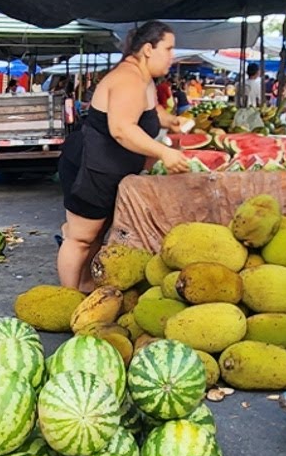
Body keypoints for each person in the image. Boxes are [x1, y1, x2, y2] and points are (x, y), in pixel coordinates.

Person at [56, 21, 190, 291]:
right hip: (91, 167)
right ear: (149, 49)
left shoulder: (144, 79)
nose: (172, 56)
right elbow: (122, 129)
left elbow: (148, 113)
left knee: (96, 236)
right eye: (169, 48)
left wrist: (170, 121)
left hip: (110, 169)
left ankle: (84, 286)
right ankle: (66, 298)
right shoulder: (128, 79)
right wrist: (164, 152)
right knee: (80, 238)